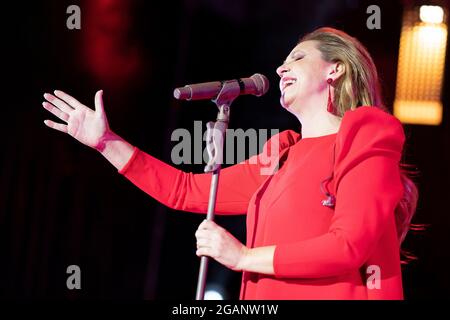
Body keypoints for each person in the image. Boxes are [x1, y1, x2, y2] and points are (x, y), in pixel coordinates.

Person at [41, 27, 418, 300]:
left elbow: (348, 245)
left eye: (298, 59)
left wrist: (241, 256)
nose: (281, 69)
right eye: (282, 62)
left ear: (335, 69)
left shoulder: (366, 135)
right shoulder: (281, 154)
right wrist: (106, 142)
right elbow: (184, 191)